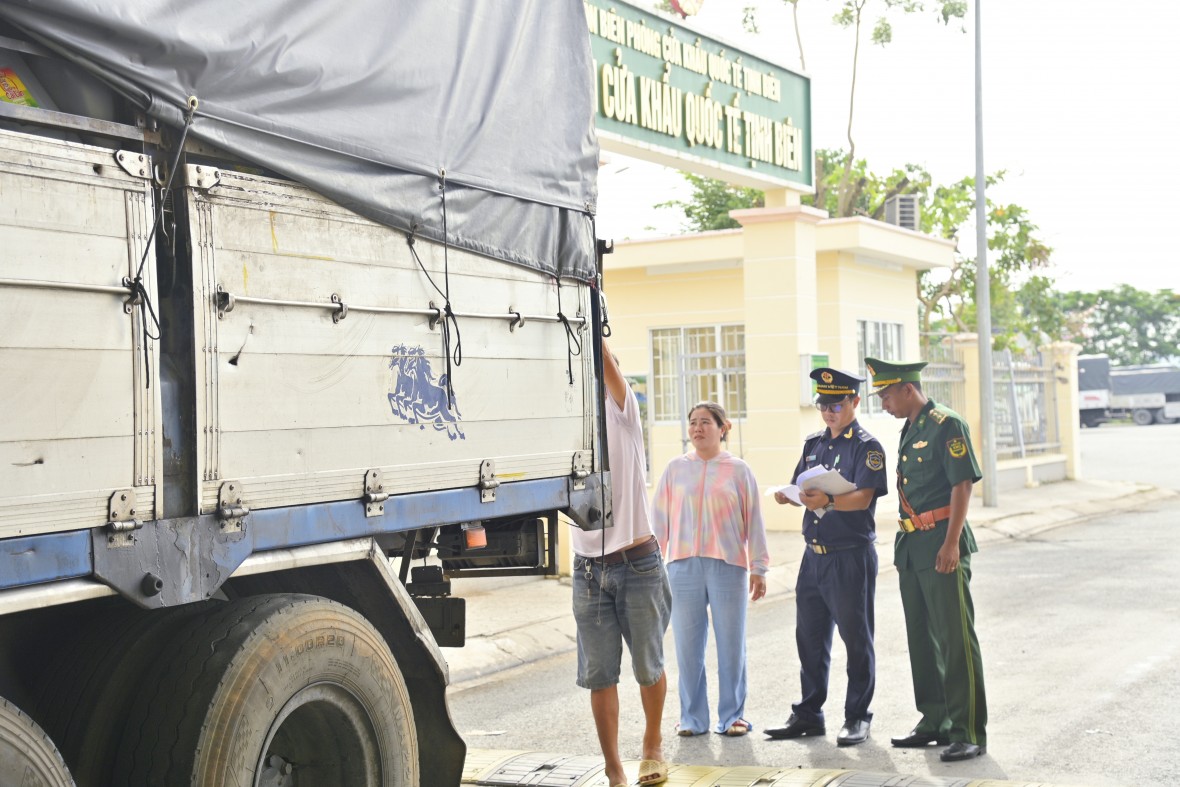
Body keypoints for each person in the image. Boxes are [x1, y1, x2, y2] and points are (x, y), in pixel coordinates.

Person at [865, 357, 988, 763]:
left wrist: (951, 543)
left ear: (907, 388)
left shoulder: (946, 423)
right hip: (913, 544)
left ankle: (967, 729)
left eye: (885, 394)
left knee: (954, 638)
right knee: (922, 637)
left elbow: (962, 485)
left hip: (941, 541)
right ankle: (934, 719)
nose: (883, 402)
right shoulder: (911, 429)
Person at [766, 368, 888, 747]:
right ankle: (808, 713)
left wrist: (831, 500)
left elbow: (865, 497)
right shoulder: (814, 443)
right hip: (814, 555)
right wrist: (790, 495)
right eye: (823, 404)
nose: (828, 411)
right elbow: (803, 484)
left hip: (849, 556)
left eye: (836, 404)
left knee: (856, 639)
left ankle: (857, 716)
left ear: (853, 401)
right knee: (810, 638)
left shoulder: (867, 447)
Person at [569, 339, 671, 787]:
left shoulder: (624, 412)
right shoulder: (570, 423)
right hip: (587, 568)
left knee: (648, 665)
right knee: (599, 674)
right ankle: (613, 769)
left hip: (638, 562)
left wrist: (590, 324)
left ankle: (652, 744)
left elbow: (602, 358)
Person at [650, 401, 769, 738]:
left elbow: (755, 522)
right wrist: (653, 565)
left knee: (731, 644)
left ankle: (732, 716)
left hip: (728, 566)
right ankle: (691, 718)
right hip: (682, 567)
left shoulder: (739, 470)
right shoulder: (675, 469)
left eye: (705, 422)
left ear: (723, 428)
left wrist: (759, 567)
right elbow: (658, 521)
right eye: (692, 423)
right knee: (687, 647)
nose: (697, 428)